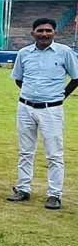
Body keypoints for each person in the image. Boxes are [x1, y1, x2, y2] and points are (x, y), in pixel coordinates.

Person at [6, 18, 78, 209]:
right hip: (25, 108)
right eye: (40, 30)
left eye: (48, 30)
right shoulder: (24, 53)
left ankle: (54, 194)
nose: (44, 34)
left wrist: (60, 95)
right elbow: (18, 79)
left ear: (55, 33)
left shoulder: (65, 52)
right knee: (25, 151)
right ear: (33, 33)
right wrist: (32, 93)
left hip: (51, 109)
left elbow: (76, 77)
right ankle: (23, 189)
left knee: (54, 154)